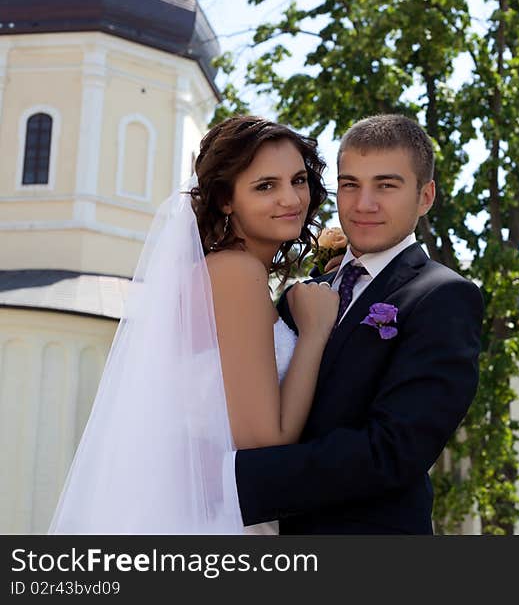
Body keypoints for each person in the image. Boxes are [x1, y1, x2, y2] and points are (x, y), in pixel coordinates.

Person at [49, 116, 338, 534]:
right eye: (265, 186)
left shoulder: (218, 274)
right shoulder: (236, 272)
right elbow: (264, 440)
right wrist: (314, 333)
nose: (291, 198)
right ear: (225, 200)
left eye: (297, 180)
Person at [229, 114, 484, 534]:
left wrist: (235, 480)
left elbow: (392, 451)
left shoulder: (444, 297)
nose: (363, 204)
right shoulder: (303, 294)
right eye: (350, 184)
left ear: (425, 197)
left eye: (386, 185)